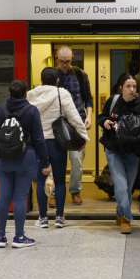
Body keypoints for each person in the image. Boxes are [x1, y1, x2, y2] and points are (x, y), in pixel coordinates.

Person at [0, 80, 50, 248]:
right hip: (25, 157)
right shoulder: (31, 111)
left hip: (3, 159)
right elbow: (38, 139)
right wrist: (45, 162)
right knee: (20, 197)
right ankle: (19, 237)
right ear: (25, 93)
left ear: (9, 93)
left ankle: (0, 237)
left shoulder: (0, 110)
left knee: (3, 197)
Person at [27, 68, 88, 229]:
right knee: (60, 180)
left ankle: (43, 218)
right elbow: (74, 117)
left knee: (40, 181)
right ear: (57, 80)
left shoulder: (32, 95)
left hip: (39, 143)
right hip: (57, 143)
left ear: (41, 79)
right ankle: (59, 217)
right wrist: (83, 137)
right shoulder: (62, 93)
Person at [98, 74, 140, 234]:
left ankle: (120, 213)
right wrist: (104, 121)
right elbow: (102, 116)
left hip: (132, 151)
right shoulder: (113, 101)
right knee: (120, 184)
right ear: (121, 88)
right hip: (113, 149)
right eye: (128, 86)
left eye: (134, 86)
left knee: (127, 187)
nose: (132, 89)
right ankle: (127, 219)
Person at [54, 46, 92, 205]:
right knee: (56, 159)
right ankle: (54, 192)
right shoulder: (52, 75)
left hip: (77, 121)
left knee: (77, 160)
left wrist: (89, 116)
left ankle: (75, 190)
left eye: (68, 61)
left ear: (72, 60)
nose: (65, 65)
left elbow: (88, 99)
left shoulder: (80, 74)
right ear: (57, 59)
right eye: (62, 62)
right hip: (57, 122)